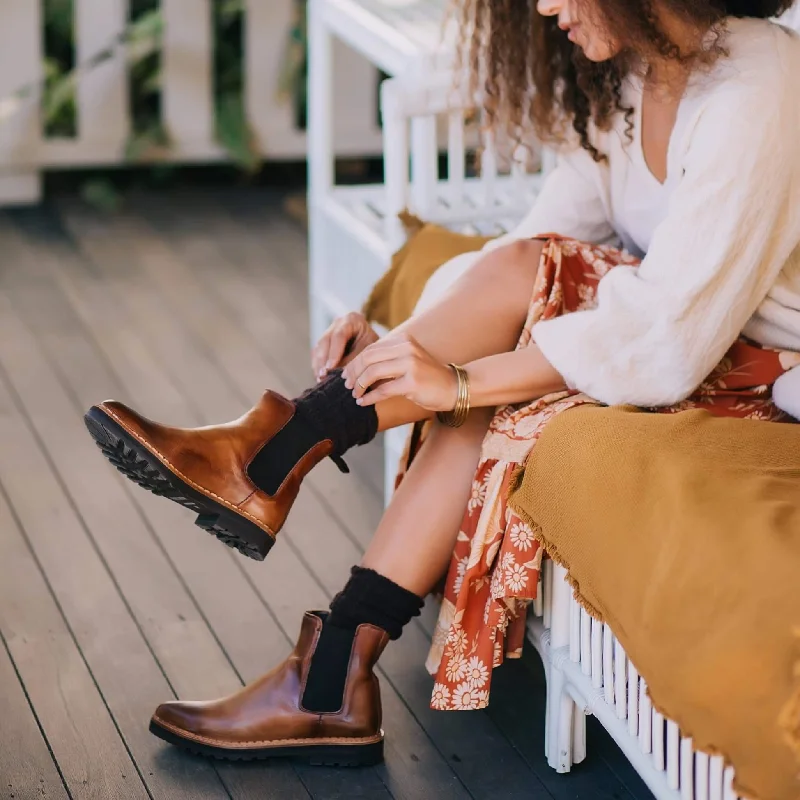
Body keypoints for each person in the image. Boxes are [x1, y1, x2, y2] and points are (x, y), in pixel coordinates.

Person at [84, 0, 800, 767]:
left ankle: (271, 463)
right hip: (689, 339)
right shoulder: (631, 71)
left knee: (483, 376)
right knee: (498, 340)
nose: (543, 6)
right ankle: (329, 677)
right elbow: (536, 242)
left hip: (759, 364)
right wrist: (401, 349)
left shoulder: (762, 84)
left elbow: (665, 334)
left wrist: (454, 380)